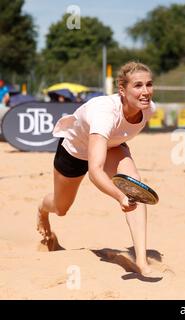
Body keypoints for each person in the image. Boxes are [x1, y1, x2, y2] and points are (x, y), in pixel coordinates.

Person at [37, 61, 159, 276]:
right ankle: (41, 209)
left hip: (110, 146)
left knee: (135, 186)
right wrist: (119, 197)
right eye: (138, 86)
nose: (145, 92)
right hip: (74, 151)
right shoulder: (104, 112)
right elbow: (95, 172)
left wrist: (126, 192)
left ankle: (141, 260)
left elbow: (116, 138)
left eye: (149, 85)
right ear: (122, 89)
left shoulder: (149, 110)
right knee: (61, 207)